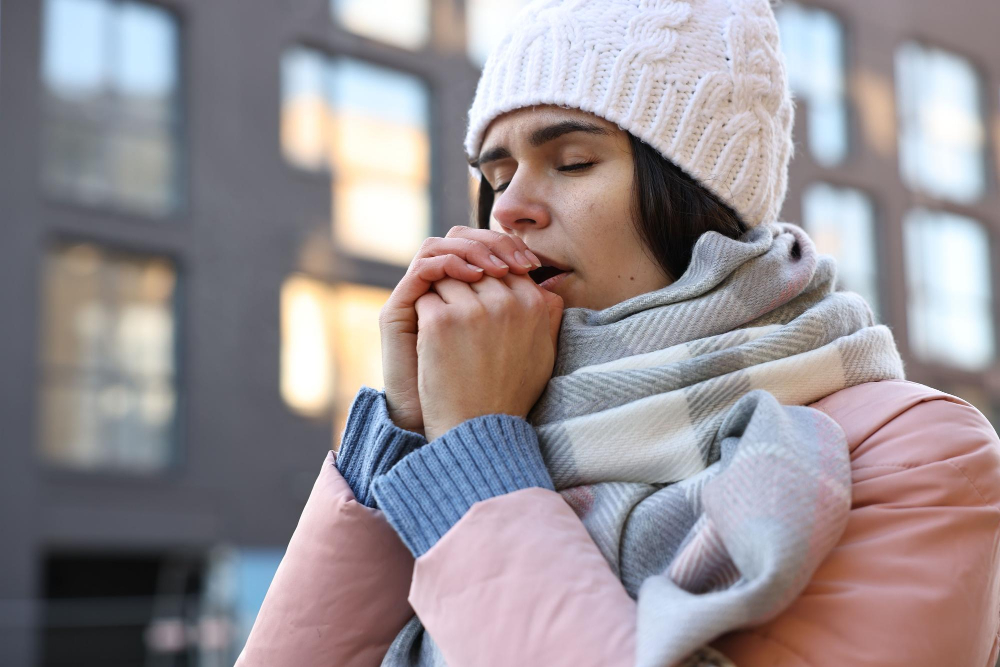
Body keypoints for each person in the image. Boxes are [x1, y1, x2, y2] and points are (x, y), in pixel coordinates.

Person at [236, 0, 1000, 665]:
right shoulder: (493, 424)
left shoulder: (918, 455)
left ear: (696, 193)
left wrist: (477, 461)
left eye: (571, 162)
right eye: (497, 178)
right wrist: (405, 434)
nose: (510, 210)